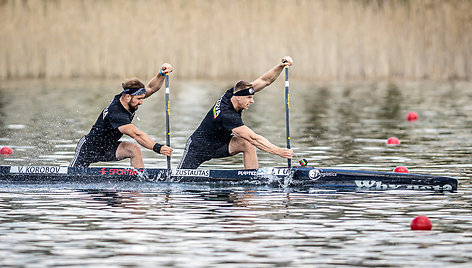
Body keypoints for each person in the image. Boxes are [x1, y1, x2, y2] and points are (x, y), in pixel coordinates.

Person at [178, 56, 294, 170]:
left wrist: (281, 66)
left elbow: (265, 81)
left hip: (221, 144)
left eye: (252, 97)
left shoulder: (232, 93)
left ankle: (251, 178)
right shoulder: (227, 115)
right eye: (249, 97)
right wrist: (280, 152)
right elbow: (254, 138)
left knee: (246, 143)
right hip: (198, 147)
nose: (252, 101)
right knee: (178, 178)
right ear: (238, 97)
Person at [70, 63, 173, 168]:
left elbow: (151, 88)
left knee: (134, 149)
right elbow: (136, 134)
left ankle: (139, 180)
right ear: (128, 97)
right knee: (71, 177)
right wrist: (157, 148)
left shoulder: (128, 97)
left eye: (142, 98)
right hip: (89, 148)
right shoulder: (116, 112)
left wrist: (161, 74)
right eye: (139, 99)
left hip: (109, 147)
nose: (141, 102)